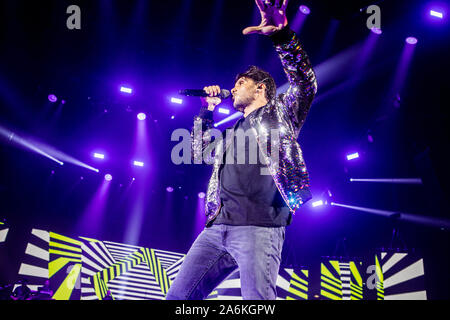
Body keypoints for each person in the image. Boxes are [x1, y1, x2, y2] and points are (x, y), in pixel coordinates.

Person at [166, 0, 317, 300]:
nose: (233, 89)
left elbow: (305, 84)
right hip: (216, 229)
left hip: (260, 227)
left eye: (240, 83)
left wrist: (282, 36)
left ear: (261, 88)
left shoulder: (281, 114)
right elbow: (198, 152)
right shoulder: (230, 132)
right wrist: (205, 112)